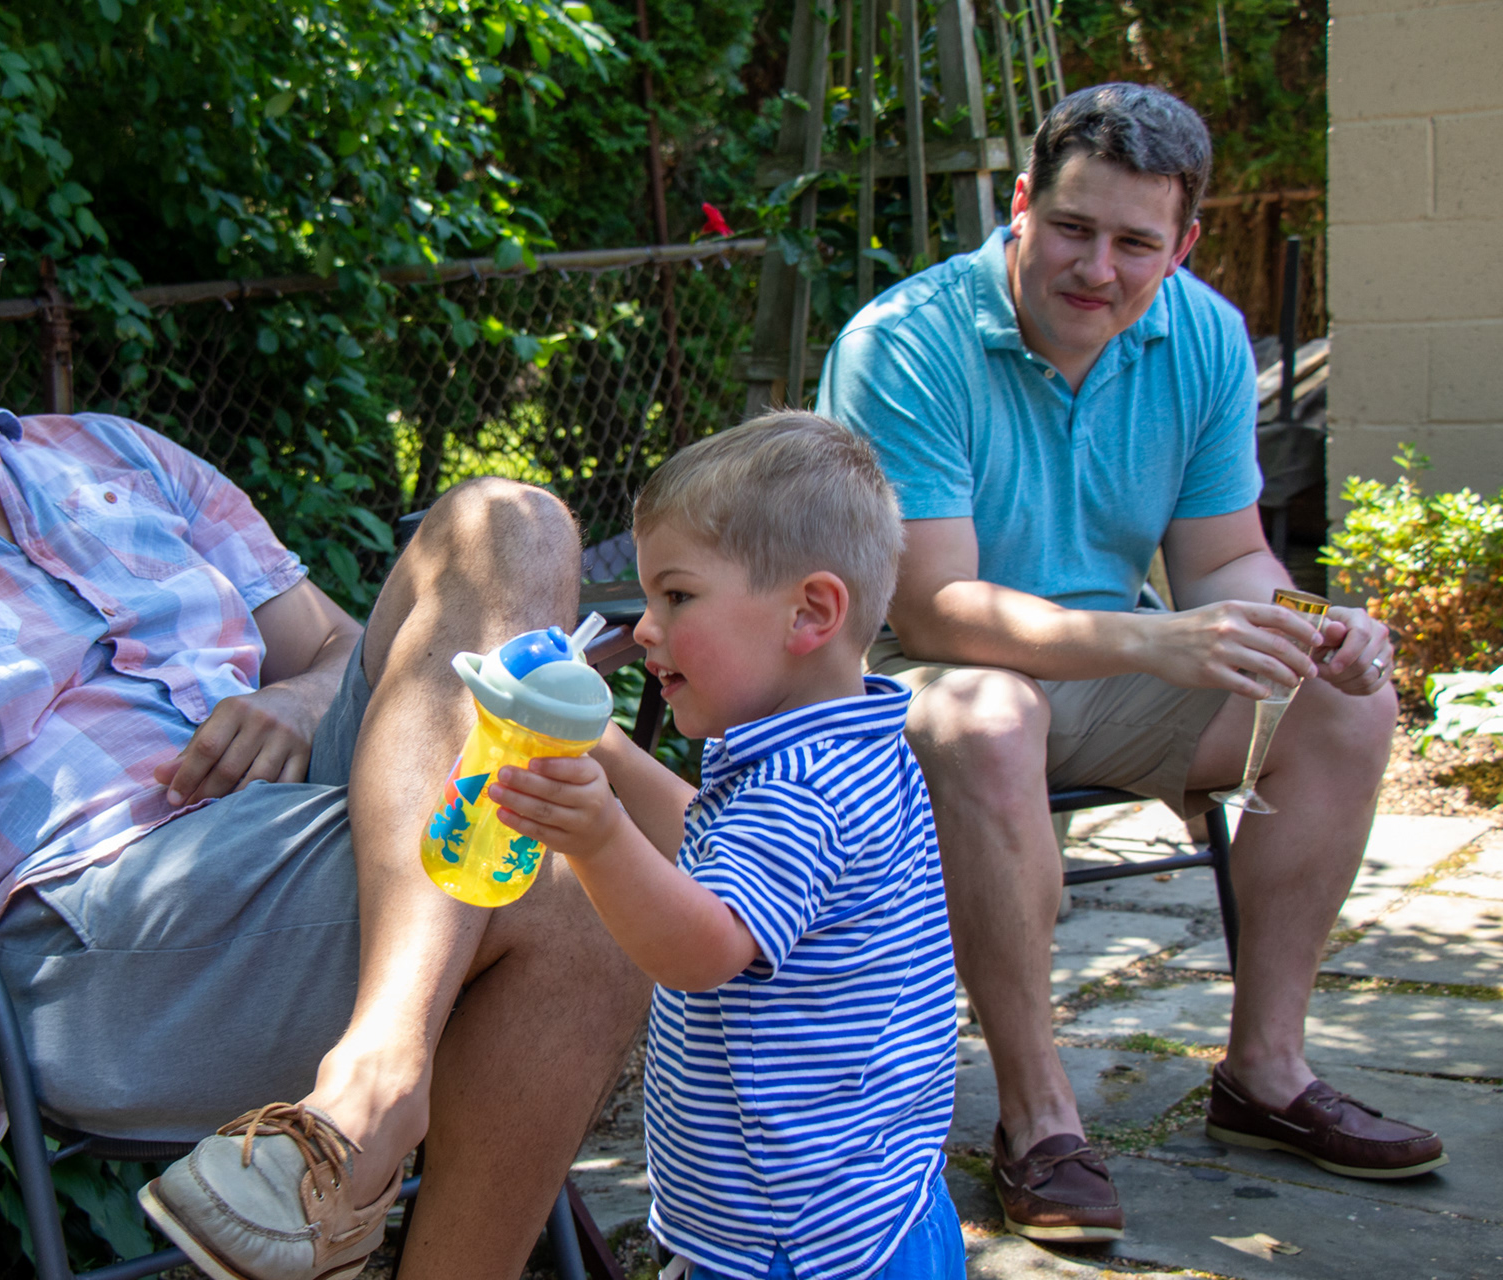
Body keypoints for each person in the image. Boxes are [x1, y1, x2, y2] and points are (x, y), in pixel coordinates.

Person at [0, 115, 652, 1280]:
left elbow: (338, 646)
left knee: (507, 520)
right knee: (564, 877)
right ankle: (384, 1091)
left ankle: (367, 1087)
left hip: (310, 826)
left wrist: (299, 699)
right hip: (84, 933)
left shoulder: (120, 455)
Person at [815, 83, 1443, 1243]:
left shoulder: (1201, 332)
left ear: (1183, 243)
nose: (1097, 267)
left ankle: (1265, 1072)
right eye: (1072, 227)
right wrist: (1157, 638)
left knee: (1343, 706)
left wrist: (1313, 627)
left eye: (1136, 243)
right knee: (990, 715)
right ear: (1020, 204)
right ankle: (1039, 1115)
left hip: (1106, 664)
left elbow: (1224, 558)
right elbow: (934, 605)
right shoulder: (902, 342)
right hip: (909, 679)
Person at [493, 414, 964, 1280]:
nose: (644, 627)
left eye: (677, 596)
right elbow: (714, 848)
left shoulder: (804, 791)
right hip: (863, 1206)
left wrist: (598, 838)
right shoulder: (838, 750)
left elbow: (704, 947)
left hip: (801, 1242)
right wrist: (608, 752)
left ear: (810, 613)